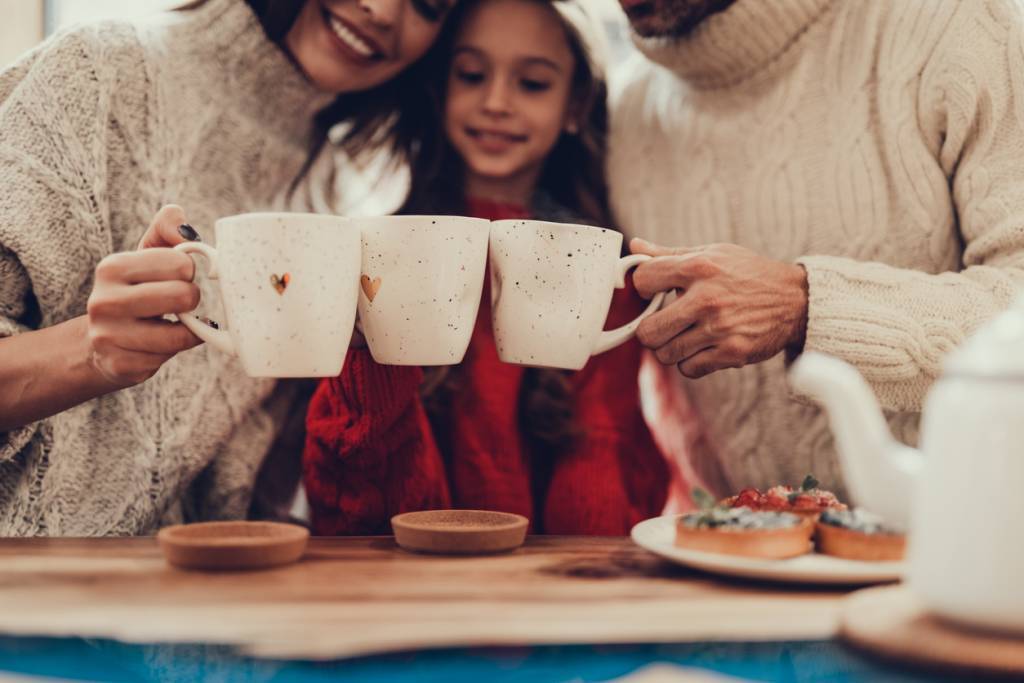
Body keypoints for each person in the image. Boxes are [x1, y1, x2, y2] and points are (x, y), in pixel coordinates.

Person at [0, 0, 459, 536]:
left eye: (428, 5)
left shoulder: (337, 199)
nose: (381, 10)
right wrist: (88, 354)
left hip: (201, 578)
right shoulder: (96, 72)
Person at [609, 0, 1024, 498]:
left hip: (966, 536)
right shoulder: (623, 110)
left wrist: (807, 306)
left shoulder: (961, 27)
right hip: (712, 540)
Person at [303, 0, 670, 536]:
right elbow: (358, 510)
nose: (496, 103)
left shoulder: (601, 270)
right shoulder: (382, 257)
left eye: (533, 84)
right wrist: (367, 364)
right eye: (472, 75)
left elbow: (600, 497)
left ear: (576, 104)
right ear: (440, 90)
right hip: (408, 567)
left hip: (552, 578)